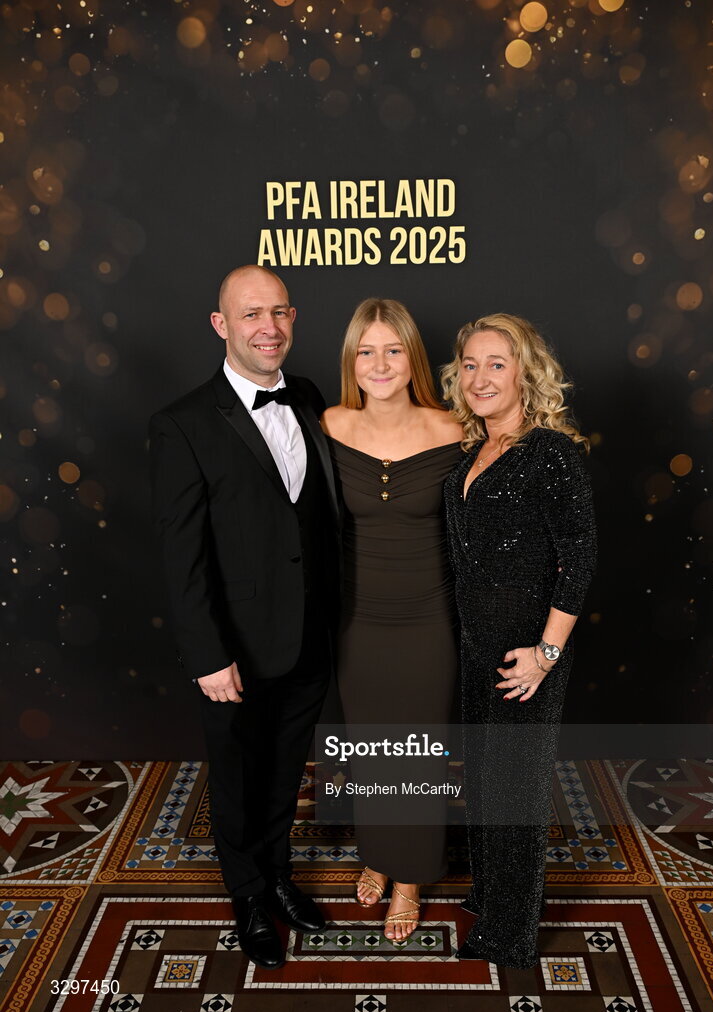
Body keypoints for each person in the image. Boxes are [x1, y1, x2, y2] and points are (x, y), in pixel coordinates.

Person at [148, 265, 339, 970]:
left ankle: (280, 876)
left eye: (280, 312)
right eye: (251, 314)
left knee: (286, 770)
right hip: (233, 649)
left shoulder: (310, 396)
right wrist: (205, 653)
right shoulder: (181, 425)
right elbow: (180, 555)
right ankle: (249, 895)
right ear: (220, 325)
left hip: (307, 638)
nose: (269, 327)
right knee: (237, 776)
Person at [441, 313, 597, 968]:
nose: (480, 377)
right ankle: (491, 894)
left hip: (526, 653)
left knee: (515, 791)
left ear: (525, 373)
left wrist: (546, 653)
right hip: (476, 646)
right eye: (470, 365)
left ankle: (509, 936)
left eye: (496, 364)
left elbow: (579, 556)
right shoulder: (471, 450)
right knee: (482, 778)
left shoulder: (550, 452)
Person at [321, 298, 463, 943]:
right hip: (355, 620)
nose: (380, 363)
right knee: (370, 749)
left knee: (418, 750)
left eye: (393, 349)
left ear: (414, 358)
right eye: (367, 350)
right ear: (353, 359)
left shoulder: (455, 428)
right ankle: (378, 851)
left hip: (429, 619)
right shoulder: (328, 423)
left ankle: (409, 877)